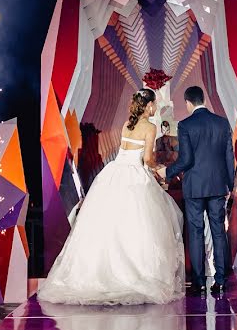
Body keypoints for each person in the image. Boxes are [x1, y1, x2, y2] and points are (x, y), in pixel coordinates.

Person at [39, 88, 185, 305]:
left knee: (110, 224)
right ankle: (136, 274)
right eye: (154, 104)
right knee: (138, 224)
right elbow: (146, 158)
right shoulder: (149, 127)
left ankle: (102, 274)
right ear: (149, 106)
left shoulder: (128, 124)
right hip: (135, 176)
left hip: (114, 173)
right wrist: (160, 167)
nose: (155, 107)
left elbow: (125, 151)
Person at [157, 86, 234, 296]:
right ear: (204, 100)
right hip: (218, 186)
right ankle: (220, 281)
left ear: (188, 103)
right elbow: (229, 158)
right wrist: (231, 185)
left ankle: (199, 282)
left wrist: (168, 172)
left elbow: (186, 159)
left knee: (196, 233)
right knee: (219, 233)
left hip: (195, 187)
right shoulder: (222, 123)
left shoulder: (186, 125)